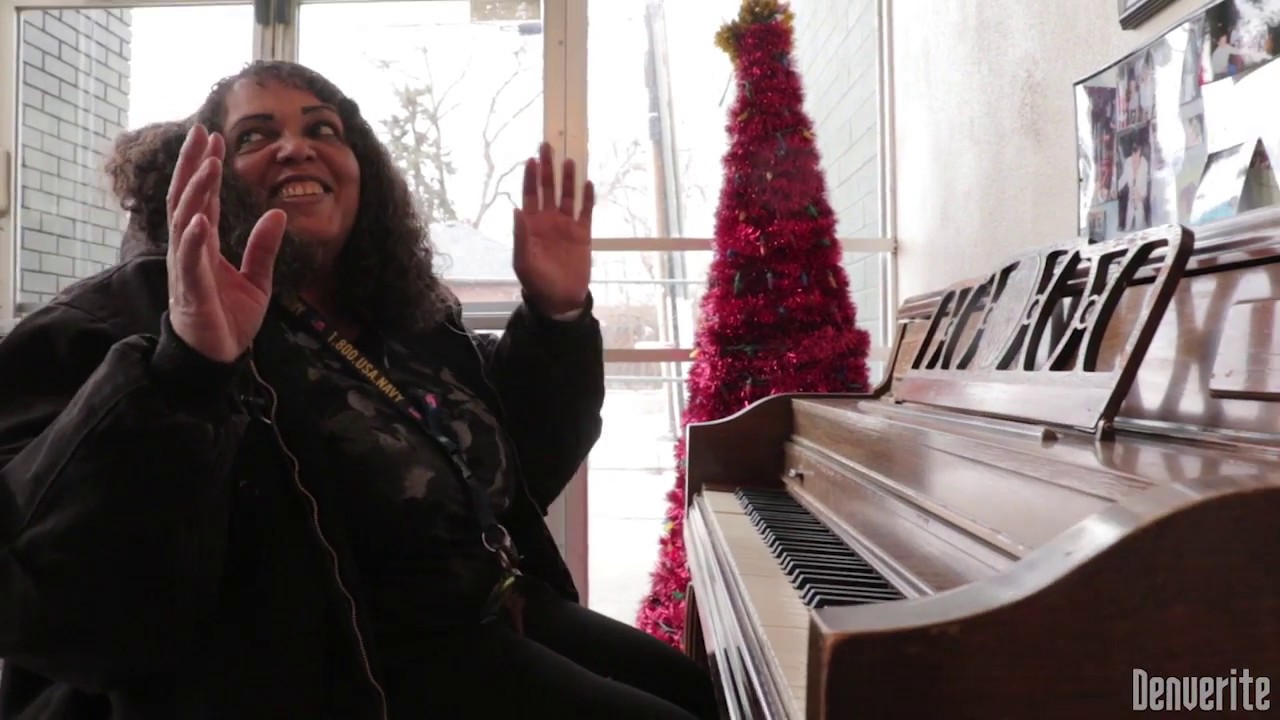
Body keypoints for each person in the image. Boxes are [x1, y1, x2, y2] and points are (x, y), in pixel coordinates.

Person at [0, 60, 717, 719]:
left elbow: (519, 466)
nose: (296, 147)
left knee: (700, 689)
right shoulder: (116, 317)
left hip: (489, 606)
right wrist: (187, 367)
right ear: (205, 173)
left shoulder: (407, 317)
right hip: (338, 672)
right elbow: (56, 599)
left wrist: (555, 314)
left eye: (323, 130)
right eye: (256, 135)